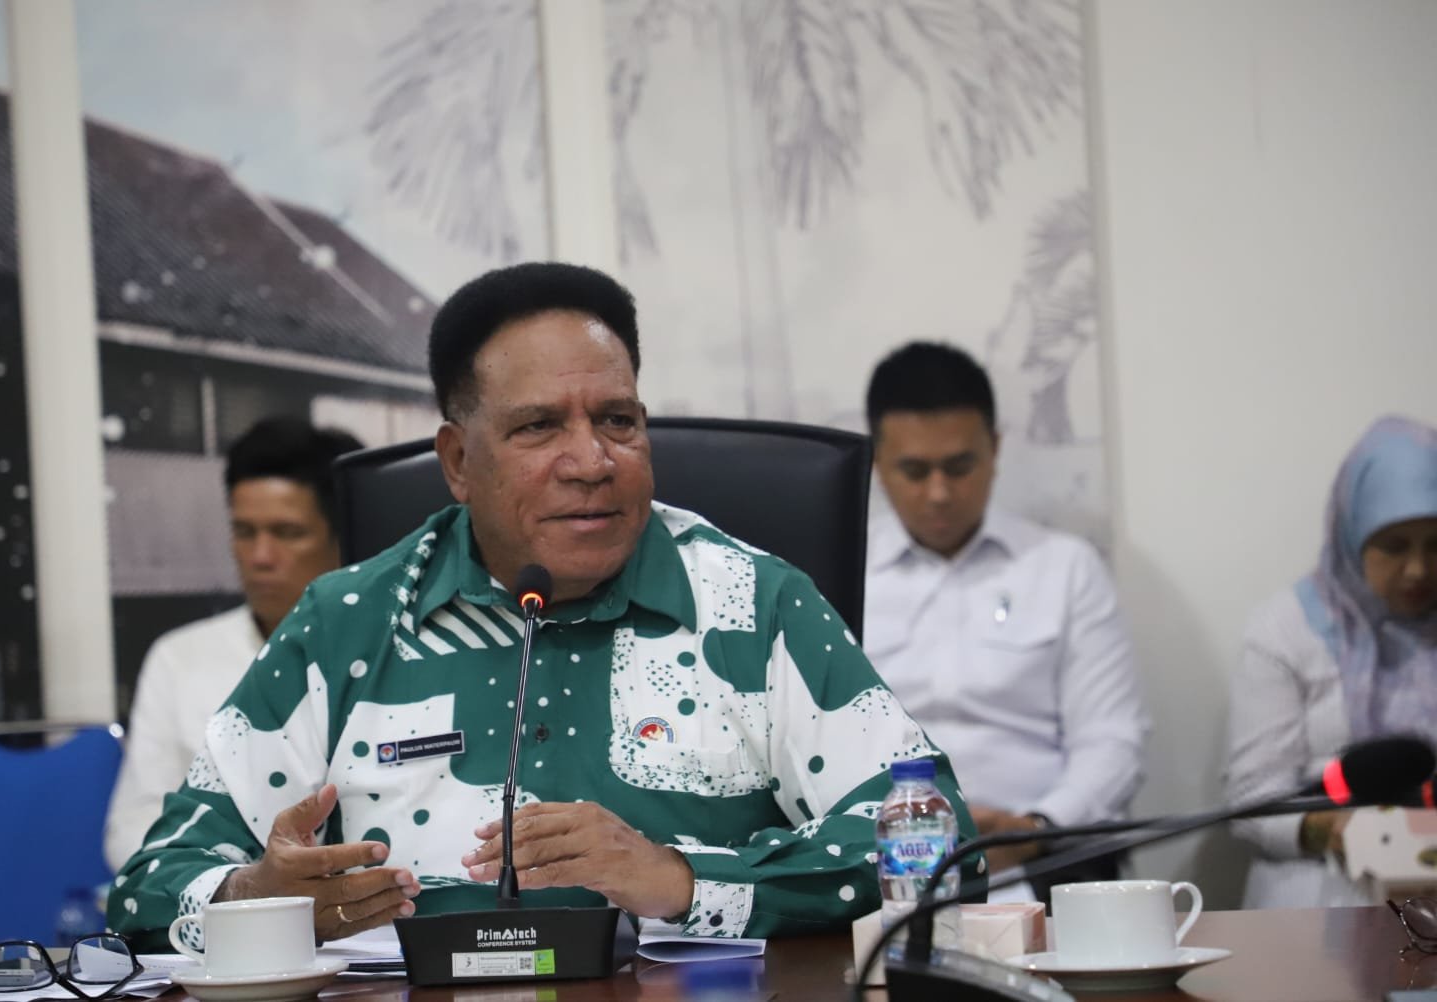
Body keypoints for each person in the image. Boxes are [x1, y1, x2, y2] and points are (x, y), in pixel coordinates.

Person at [108, 262, 978, 945]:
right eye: (538, 427)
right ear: (458, 462)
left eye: (618, 420)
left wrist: (683, 881)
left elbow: (935, 844)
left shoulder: (752, 603)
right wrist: (255, 897)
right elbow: (150, 888)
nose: (592, 461)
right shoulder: (346, 623)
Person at [861, 342, 1147, 890]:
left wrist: (1036, 827)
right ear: (876, 462)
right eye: (915, 471)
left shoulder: (1065, 568)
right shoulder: (839, 576)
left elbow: (1111, 738)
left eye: (959, 467)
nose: (939, 493)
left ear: (994, 449)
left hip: (1044, 862)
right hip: (879, 866)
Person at [103, 416, 362, 870]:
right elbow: (132, 829)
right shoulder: (180, 659)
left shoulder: (396, 655)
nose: (260, 557)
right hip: (223, 903)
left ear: (344, 536)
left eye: (288, 533)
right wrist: (242, 885)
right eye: (244, 532)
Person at [1225, 415, 1437, 908]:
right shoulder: (1286, 630)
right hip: (1319, 898)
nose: (1418, 569)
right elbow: (1252, 800)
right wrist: (1335, 830)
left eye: (1436, 545)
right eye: (1394, 546)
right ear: (1352, 533)